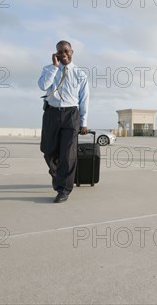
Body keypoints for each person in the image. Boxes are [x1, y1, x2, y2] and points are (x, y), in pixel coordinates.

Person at [38, 40, 89, 203]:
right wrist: (54, 67)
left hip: (71, 115)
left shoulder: (80, 74)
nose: (63, 54)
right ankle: (58, 175)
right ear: (56, 54)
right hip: (51, 113)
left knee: (68, 155)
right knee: (48, 151)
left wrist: (83, 121)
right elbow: (42, 85)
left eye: (66, 51)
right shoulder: (48, 69)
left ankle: (63, 189)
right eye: (60, 52)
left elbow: (84, 99)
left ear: (72, 52)